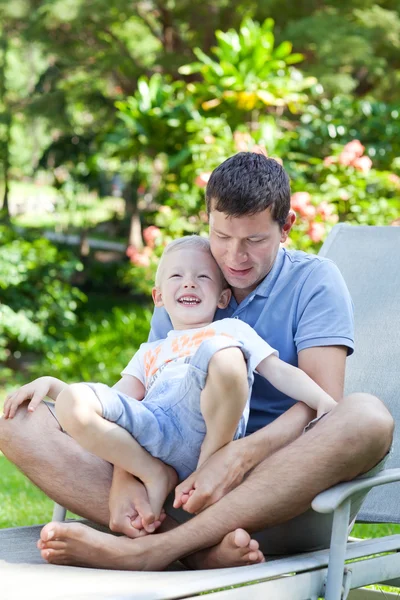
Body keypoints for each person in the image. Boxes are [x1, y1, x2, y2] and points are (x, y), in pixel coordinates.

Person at [0, 152, 393, 570]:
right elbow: (145, 403)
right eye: (221, 236)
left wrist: (235, 457)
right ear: (207, 220)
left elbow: (321, 405)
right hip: (178, 492)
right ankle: (199, 553)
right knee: (14, 420)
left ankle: (156, 550)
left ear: (287, 227)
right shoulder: (188, 275)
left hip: (284, 497)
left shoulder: (315, 281)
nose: (235, 257)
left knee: (368, 417)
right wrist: (123, 476)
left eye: (254, 240)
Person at [3, 235, 337, 534]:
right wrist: (54, 387)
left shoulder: (231, 332)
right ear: (158, 296)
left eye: (202, 277)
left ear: (222, 298)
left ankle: (209, 463)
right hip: (155, 430)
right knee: (74, 399)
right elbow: (114, 402)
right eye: (177, 276)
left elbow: (278, 371)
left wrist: (324, 402)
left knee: (224, 355)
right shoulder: (150, 351)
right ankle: (153, 474)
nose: (189, 284)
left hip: (207, 432)